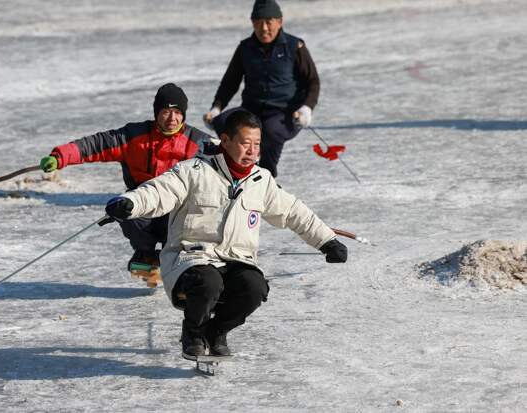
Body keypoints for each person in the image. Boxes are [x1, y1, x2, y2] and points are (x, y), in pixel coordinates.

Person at [105, 110, 347, 358]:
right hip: (190, 258)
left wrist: (326, 241)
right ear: (226, 140)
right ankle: (194, 333)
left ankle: (216, 331)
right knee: (208, 282)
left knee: (255, 287)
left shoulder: (261, 180)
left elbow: (294, 211)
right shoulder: (194, 171)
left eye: (256, 144)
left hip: (236, 259)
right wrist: (130, 203)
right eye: (245, 143)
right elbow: (158, 192)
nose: (252, 151)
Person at [39, 83, 216, 286]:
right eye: (166, 112)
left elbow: (228, 160)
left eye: (177, 112)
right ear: (156, 112)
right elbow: (97, 145)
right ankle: (146, 256)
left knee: (190, 228)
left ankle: (183, 269)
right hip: (144, 206)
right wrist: (60, 157)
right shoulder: (134, 136)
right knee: (124, 206)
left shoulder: (198, 143)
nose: (171, 118)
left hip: (178, 212)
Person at [203, 0, 320, 178]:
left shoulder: (294, 46)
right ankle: (236, 171)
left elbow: (312, 82)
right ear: (252, 23)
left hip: (285, 113)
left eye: (269, 22)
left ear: (280, 22)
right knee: (224, 122)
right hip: (252, 109)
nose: (264, 28)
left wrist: (306, 109)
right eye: (258, 22)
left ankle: (267, 177)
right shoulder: (245, 48)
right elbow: (230, 82)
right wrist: (216, 107)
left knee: (270, 130)